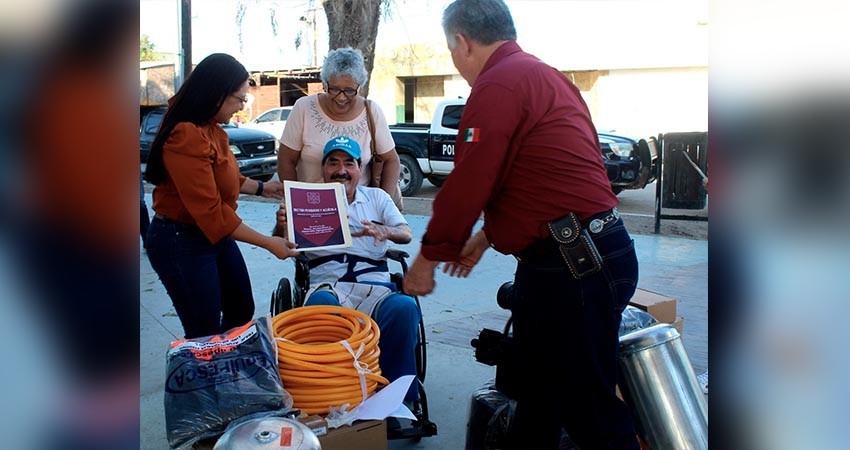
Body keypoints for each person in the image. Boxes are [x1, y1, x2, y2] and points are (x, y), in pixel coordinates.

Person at [403, 1, 640, 449]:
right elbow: (547, 176)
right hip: (575, 256)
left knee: (590, 413)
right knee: (536, 395)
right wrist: (488, 236)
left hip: (574, 267)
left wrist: (429, 257)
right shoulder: (547, 78)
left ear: (461, 42)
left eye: (451, 50)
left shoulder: (498, 86)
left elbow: (471, 179)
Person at [144, 53, 299, 339]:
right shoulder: (186, 134)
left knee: (240, 308)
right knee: (203, 328)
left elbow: (223, 177)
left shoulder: (214, 130)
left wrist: (263, 187)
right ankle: (202, 377)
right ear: (216, 94)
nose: (242, 107)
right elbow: (211, 211)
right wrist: (269, 243)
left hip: (212, 236)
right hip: (180, 240)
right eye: (239, 99)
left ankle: (225, 365)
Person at [273, 136, 420, 404]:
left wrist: (384, 230)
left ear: (359, 168)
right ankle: (333, 396)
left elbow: (406, 233)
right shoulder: (305, 198)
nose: (341, 170)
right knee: (320, 306)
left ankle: (396, 401)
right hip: (327, 283)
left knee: (404, 308)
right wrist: (282, 225)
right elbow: (285, 246)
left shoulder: (376, 197)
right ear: (323, 169)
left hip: (374, 285)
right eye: (333, 163)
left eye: (348, 163)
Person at [277, 47, 402, 201]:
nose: (341, 97)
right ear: (324, 84)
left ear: (359, 87)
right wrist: (296, 202)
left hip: (359, 210)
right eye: (334, 89)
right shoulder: (304, 108)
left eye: (349, 90)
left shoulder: (371, 111)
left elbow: (392, 160)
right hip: (312, 206)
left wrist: (383, 204)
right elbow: (286, 160)